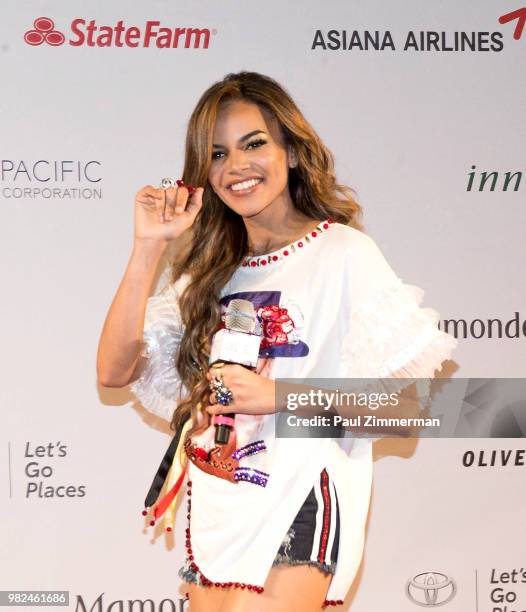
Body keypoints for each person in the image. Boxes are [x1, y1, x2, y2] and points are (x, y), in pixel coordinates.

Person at [96, 71, 457, 611]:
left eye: (254, 143)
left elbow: (405, 408)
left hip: (301, 497)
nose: (236, 166)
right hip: (220, 503)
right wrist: (148, 249)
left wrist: (278, 396)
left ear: (291, 150)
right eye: (217, 154)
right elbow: (113, 372)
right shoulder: (206, 274)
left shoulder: (343, 254)